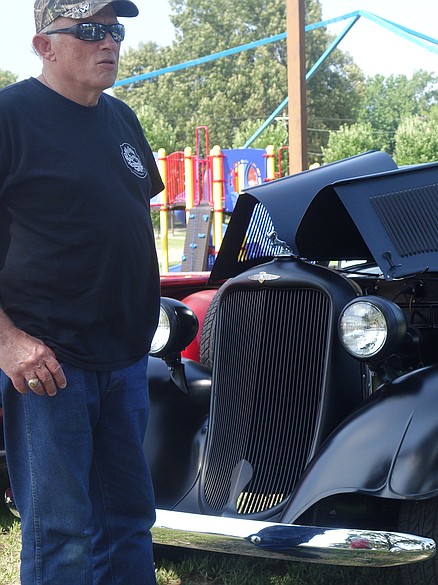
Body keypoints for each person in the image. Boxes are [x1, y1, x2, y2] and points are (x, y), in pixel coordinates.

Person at [0, 1, 163, 583]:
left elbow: (127, 219)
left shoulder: (121, 119)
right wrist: (8, 342)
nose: (109, 43)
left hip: (124, 358)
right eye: (91, 31)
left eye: (115, 31)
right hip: (48, 363)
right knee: (62, 531)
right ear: (44, 44)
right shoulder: (9, 117)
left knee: (129, 522)